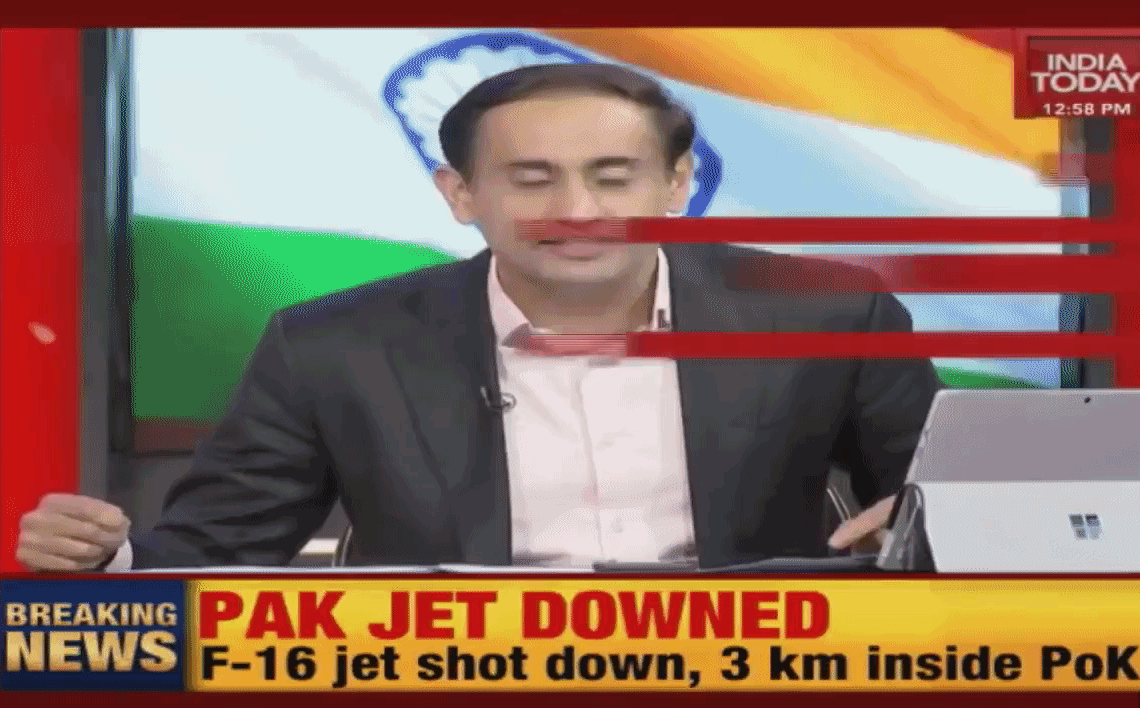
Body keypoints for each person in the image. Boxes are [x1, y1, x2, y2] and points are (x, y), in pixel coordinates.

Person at [16, 63, 941, 572]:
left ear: (677, 184)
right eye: (532, 180)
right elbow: (211, 554)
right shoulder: (334, 345)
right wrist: (109, 560)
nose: (576, 211)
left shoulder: (831, 314)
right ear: (460, 194)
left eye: (613, 178)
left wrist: (933, 523)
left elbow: (947, 506)